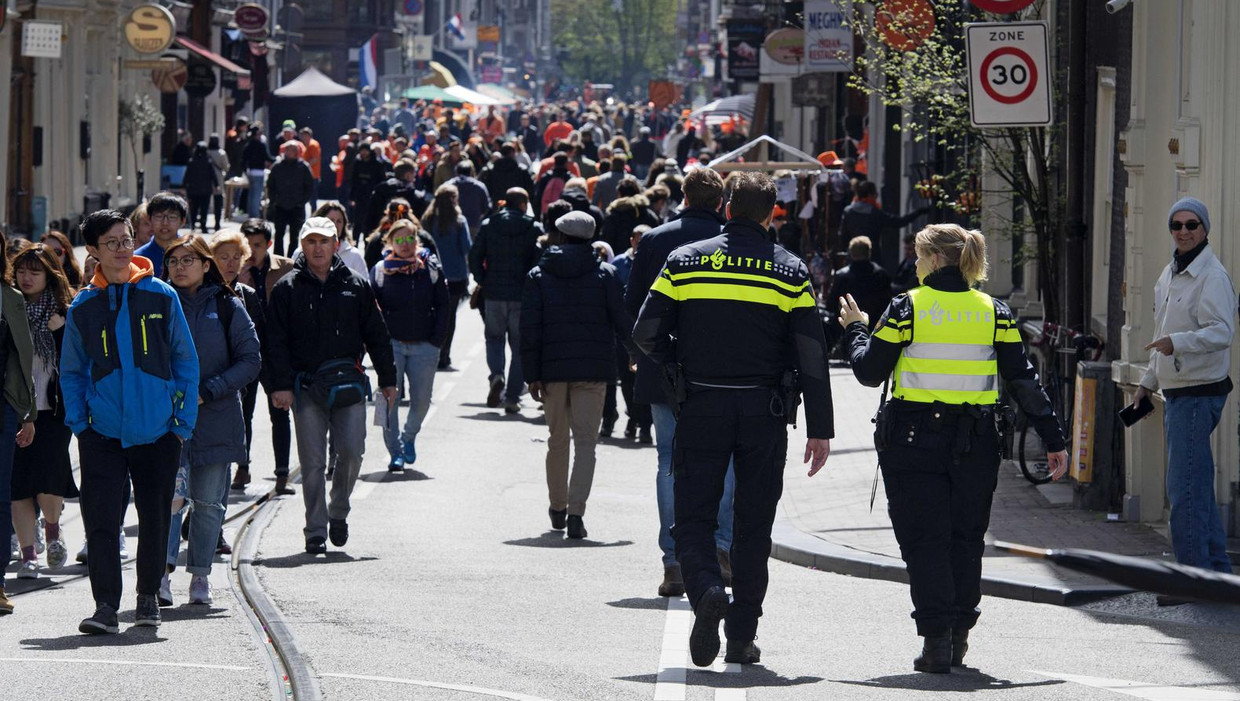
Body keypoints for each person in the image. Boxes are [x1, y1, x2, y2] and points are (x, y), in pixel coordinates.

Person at [841, 223, 1067, 672]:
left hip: (913, 442)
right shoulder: (995, 311)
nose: (915, 264)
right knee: (966, 539)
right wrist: (1054, 437)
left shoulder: (907, 307)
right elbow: (1023, 380)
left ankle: (937, 642)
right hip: (977, 441)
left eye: (918, 256)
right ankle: (959, 635)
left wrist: (856, 329)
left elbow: (869, 372)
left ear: (934, 259)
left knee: (924, 540)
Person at [632, 172, 834, 667]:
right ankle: (741, 637)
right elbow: (811, 354)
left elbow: (646, 332)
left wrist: (677, 365)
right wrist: (821, 428)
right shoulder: (790, 271)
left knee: (693, 517)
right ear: (771, 213)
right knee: (754, 525)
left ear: (727, 208)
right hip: (765, 412)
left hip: (702, 405)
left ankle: (705, 590)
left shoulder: (686, 261)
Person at [63, 209, 198, 634]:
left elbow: (185, 360)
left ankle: (147, 599)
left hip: (159, 430)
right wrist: (80, 424)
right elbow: (72, 371)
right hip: (101, 432)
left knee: (155, 518)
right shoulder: (84, 305)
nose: (123, 248)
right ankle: (105, 606)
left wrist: (182, 423)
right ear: (93, 250)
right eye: (112, 243)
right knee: (101, 520)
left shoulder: (161, 294)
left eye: (126, 239)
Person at [624, 167, 736, 598]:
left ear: (683, 198)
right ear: (720, 201)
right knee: (723, 459)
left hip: (662, 365)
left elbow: (634, 306)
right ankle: (719, 547)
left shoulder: (654, 239)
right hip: (719, 371)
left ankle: (673, 561)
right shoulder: (733, 241)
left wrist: (638, 355)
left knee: (669, 461)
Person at [265, 217, 397, 554]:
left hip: (349, 384)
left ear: (336, 244)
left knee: (352, 452)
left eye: (324, 241)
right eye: (311, 241)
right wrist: (280, 386)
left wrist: (388, 379)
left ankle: (339, 511)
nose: (318, 248)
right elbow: (275, 342)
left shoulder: (356, 284)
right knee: (312, 463)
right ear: (302, 246)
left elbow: (377, 334)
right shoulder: (286, 288)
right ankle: (315, 529)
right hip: (306, 388)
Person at [1133, 198, 1237, 592]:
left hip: (1198, 392)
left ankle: (1191, 580)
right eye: (1176, 225)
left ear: (1205, 229)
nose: (1184, 231)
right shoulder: (1172, 272)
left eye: (1192, 224)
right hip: (1180, 390)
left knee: (1184, 489)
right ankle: (1216, 573)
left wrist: (1178, 343)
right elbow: (1161, 333)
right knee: (1195, 487)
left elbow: (1222, 332)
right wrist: (1147, 382)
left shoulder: (1212, 276)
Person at [160, 235, 260, 606]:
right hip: (166, 418)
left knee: (207, 503)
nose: (179, 267)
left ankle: (201, 575)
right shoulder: (157, 302)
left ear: (206, 266)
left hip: (216, 416)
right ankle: (160, 574)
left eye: (188, 260)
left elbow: (251, 360)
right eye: (173, 261)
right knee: (168, 501)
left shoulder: (228, 305)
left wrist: (210, 389)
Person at [522, 211, 634, 539]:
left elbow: (529, 329)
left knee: (557, 440)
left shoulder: (538, 274)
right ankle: (576, 514)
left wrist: (531, 374)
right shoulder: (606, 274)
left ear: (560, 236)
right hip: (593, 369)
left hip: (552, 370)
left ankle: (557, 507)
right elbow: (621, 319)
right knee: (586, 443)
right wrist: (635, 351)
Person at [9, 243, 78, 581]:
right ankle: (28, 555)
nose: (26, 277)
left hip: (53, 412)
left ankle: (51, 529)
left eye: (34, 272)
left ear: (50, 275)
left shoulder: (66, 311)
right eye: (21, 271)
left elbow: (78, 360)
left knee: (50, 479)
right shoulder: (8, 307)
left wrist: (60, 332)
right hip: (14, 408)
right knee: (17, 484)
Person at [370, 218, 450, 471]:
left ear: (417, 240)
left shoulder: (430, 268)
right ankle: (395, 451)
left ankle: (408, 438)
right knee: (388, 399)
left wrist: (436, 341)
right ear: (390, 242)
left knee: (422, 401)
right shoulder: (381, 271)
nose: (405, 244)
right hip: (391, 345)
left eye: (410, 238)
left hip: (424, 346)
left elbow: (444, 305)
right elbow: (371, 309)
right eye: (399, 240)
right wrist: (377, 342)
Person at [469, 189, 543, 413]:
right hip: (521, 295)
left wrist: (483, 280)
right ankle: (512, 397)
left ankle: (496, 375)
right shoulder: (534, 228)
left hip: (494, 293)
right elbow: (539, 261)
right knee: (519, 347)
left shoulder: (489, 225)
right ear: (523, 204)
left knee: (494, 339)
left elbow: (474, 255)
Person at [238, 219, 296, 495]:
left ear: (269, 244)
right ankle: (242, 466)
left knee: (279, 410)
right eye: (247, 244)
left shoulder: (286, 268)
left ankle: (282, 474)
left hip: (276, 350)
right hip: (245, 349)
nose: (251, 251)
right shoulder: (234, 268)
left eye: (258, 245)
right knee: (243, 412)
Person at [210, 231, 265, 497]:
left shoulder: (248, 295)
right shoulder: (203, 292)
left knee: (245, 417)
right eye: (224, 257)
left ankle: (242, 465)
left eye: (237, 257)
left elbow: (259, 338)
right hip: (212, 373)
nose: (231, 263)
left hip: (242, 374)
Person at [420, 185, 472, 370]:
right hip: (456, 275)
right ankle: (444, 354)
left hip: (431, 273)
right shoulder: (459, 221)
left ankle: (431, 351)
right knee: (450, 317)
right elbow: (466, 247)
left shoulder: (427, 220)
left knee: (432, 314)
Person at [840, 181, 928, 273]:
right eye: (875, 193)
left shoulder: (848, 211)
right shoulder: (875, 213)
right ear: (870, 195)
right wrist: (919, 212)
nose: (877, 196)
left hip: (852, 256)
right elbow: (898, 222)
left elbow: (842, 236)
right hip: (872, 257)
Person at [266, 141, 316, 257]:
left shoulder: (303, 167)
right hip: (280, 206)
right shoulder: (277, 166)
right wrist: (273, 200)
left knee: (295, 236)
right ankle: (278, 258)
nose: (293, 152)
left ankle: (291, 260)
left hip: (297, 207)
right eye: (290, 150)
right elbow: (270, 185)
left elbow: (310, 186)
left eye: (295, 150)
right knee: (279, 235)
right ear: (285, 151)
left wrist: (302, 202)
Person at [135, 192, 189, 279]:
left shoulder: (192, 254)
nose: (165, 223)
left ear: (183, 221)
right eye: (159, 216)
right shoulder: (138, 259)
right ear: (149, 219)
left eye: (172, 217)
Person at [314, 201, 368, 277]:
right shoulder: (304, 253)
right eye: (331, 220)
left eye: (339, 221)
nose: (335, 225)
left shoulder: (354, 256)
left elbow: (364, 283)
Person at [481, 142, 536, 209]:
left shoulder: (492, 170)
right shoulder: (521, 170)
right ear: (512, 153)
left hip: (498, 204)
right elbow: (530, 189)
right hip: (517, 204)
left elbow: (488, 188)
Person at [447, 160, 492, 235]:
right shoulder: (480, 186)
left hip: (452, 224)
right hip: (473, 224)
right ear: (471, 172)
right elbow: (487, 206)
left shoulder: (449, 185)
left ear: (457, 172)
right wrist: (478, 217)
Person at [183, 142, 218, 234]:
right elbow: (213, 175)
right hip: (206, 190)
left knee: (193, 208)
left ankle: (193, 225)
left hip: (193, 190)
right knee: (204, 209)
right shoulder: (208, 161)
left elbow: (187, 175)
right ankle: (203, 226)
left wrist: (183, 186)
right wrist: (216, 185)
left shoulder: (192, 161)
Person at [241, 126, 273, 218]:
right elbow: (268, 157)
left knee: (251, 194)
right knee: (257, 195)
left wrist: (245, 171)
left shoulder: (248, 145)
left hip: (250, 172)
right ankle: (254, 215)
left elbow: (243, 160)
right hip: (259, 172)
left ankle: (250, 213)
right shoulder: (261, 145)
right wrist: (277, 159)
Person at [207, 135, 230, 231]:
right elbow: (226, 167)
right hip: (219, 178)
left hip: (207, 178)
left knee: (205, 201)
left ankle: (203, 221)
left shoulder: (206, 152)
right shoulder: (221, 153)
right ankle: (217, 223)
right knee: (218, 202)